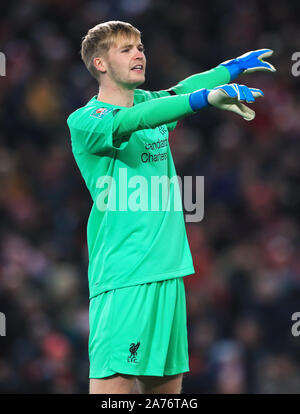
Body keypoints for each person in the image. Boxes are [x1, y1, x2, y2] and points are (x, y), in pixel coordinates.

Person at [67, 20, 275, 394]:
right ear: (100, 63)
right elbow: (135, 119)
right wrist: (206, 100)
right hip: (124, 278)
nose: (139, 54)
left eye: (140, 47)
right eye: (126, 48)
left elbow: (178, 91)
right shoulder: (85, 121)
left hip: (168, 274)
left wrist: (230, 68)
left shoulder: (150, 102)